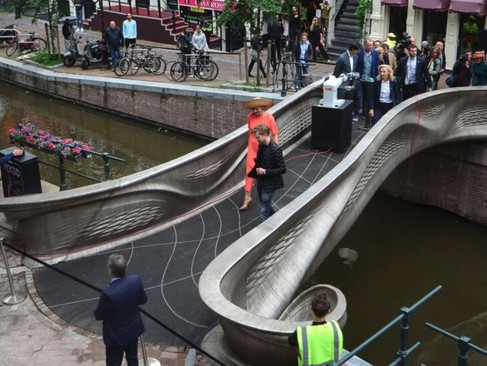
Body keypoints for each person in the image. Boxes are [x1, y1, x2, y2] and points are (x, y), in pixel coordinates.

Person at [94, 254, 148, 366]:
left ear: (110, 271)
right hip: (133, 330)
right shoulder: (135, 280)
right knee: (133, 359)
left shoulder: (108, 294)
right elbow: (143, 300)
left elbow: (98, 315)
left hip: (116, 337)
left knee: (114, 363)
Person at [240, 97, 278, 211]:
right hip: (252, 146)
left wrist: (275, 149)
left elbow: (275, 134)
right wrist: (248, 143)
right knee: (249, 171)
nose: (255, 111)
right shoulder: (250, 117)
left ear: (262, 107)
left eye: (257, 109)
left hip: (264, 148)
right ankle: (247, 197)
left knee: (262, 172)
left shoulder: (270, 118)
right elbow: (249, 131)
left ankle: (265, 197)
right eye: (253, 109)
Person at [288, 291, 343, 366]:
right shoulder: (335, 327)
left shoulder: (302, 332)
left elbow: (291, 341)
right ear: (328, 311)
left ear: (311, 309)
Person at [252, 124, 286, 221]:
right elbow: (258, 162)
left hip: (271, 183)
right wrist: (255, 176)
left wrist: (265, 171)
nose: (256, 139)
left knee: (264, 210)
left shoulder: (275, 149)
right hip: (261, 180)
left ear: (264, 134)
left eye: (258, 137)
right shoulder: (261, 146)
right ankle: (278, 219)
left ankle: (264, 231)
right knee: (265, 203)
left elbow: (283, 169)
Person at [356, 37, 380, 127]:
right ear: (365, 45)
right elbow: (357, 65)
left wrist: (376, 77)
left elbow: (376, 65)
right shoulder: (360, 53)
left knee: (368, 96)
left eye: (372, 45)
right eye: (369, 45)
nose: (371, 47)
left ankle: (366, 113)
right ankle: (358, 112)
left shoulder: (375, 53)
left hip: (371, 79)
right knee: (359, 95)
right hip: (361, 78)